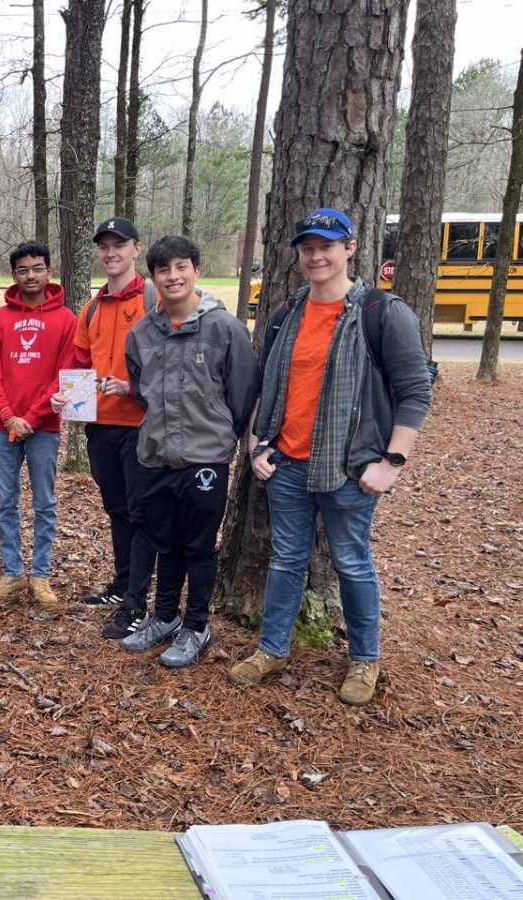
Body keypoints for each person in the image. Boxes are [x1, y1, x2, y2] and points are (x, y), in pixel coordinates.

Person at [229, 208, 432, 705]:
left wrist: (392, 463)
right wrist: (257, 444)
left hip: (350, 470)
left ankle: (366, 660)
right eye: (307, 248)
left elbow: (415, 392)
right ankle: (272, 649)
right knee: (286, 560)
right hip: (288, 466)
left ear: (351, 248)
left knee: (352, 562)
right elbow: (269, 387)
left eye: (327, 246)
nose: (316, 256)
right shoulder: (286, 313)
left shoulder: (381, 313)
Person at [119, 236, 258, 667]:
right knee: (165, 541)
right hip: (155, 456)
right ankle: (164, 617)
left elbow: (243, 397)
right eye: (164, 270)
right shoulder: (143, 333)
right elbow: (143, 391)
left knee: (198, 546)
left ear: (196, 270)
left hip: (205, 461)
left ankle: (197, 626)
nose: (173, 277)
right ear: (154, 277)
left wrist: (215, 438)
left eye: (181, 267)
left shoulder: (225, 329)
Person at [52, 216, 158, 640]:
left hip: (141, 425)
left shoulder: (152, 299)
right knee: (116, 509)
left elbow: (172, 363)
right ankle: (121, 586)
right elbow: (79, 364)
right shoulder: (92, 307)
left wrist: (132, 387)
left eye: (120, 245)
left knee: (140, 513)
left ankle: (137, 601)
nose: (111, 253)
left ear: (136, 249)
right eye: (105, 246)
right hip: (100, 426)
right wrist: (65, 397)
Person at [0, 240, 76, 605]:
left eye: (37, 268)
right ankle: (12, 573)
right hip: (1, 425)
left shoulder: (66, 319)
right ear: (14, 275)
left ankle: (40, 575)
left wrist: (32, 418)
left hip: (44, 428)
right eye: (23, 270)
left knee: (44, 502)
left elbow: (63, 376)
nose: (30, 275)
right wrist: (8, 416)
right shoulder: (0, 319)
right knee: (5, 500)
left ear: (49, 271)